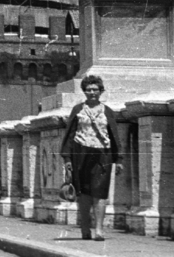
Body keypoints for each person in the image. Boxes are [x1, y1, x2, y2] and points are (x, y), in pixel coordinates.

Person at [61, 74, 122, 241]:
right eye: (88, 90)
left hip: (103, 154)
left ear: (101, 91)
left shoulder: (107, 111)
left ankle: (99, 230)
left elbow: (114, 135)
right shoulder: (78, 110)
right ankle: (85, 228)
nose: (92, 93)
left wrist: (119, 159)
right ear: (84, 92)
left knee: (100, 192)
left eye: (95, 89)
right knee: (84, 192)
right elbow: (70, 134)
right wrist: (67, 159)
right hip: (80, 153)